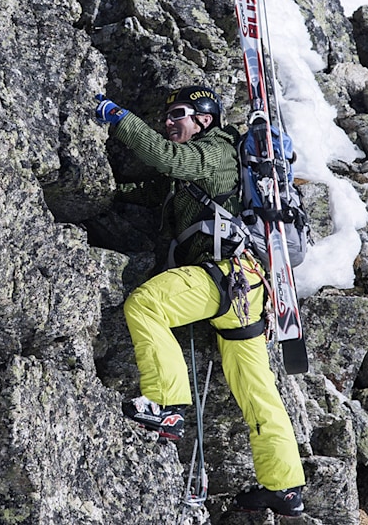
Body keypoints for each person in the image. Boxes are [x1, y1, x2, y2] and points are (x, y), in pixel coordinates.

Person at [94, 86, 306, 517]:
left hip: (227, 277)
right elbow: (155, 187)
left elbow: (171, 160)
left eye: (179, 114)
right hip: (248, 292)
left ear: (205, 119)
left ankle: (167, 403)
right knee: (256, 389)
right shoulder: (195, 176)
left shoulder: (217, 152)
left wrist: (115, 115)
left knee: (146, 305)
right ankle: (284, 486)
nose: (169, 123)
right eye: (167, 117)